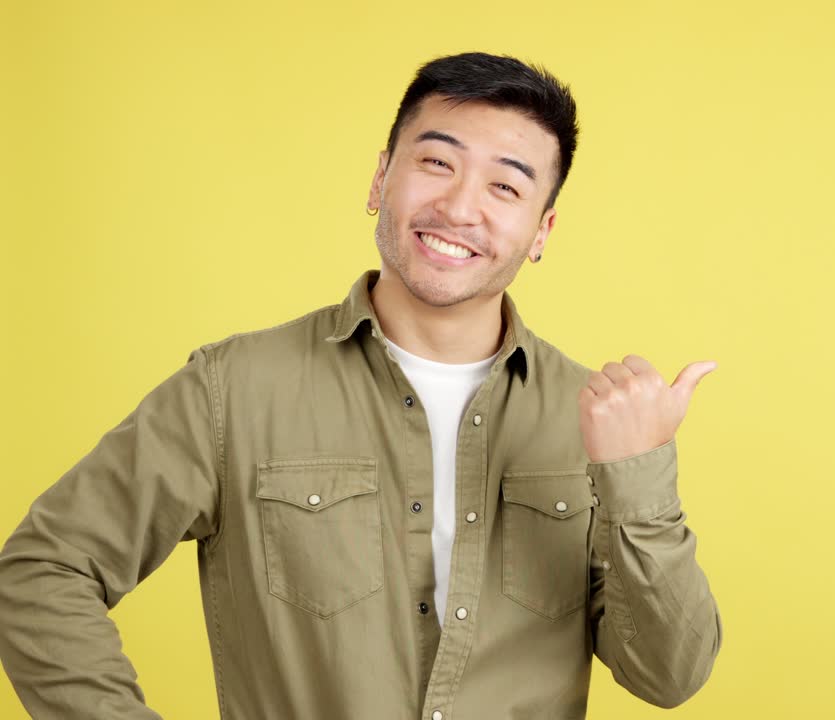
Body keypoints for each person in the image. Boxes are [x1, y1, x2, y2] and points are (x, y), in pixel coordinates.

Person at [0, 51, 722, 719]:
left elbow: (669, 675)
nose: (461, 206)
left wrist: (638, 479)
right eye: (437, 163)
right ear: (381, 180)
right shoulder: (235, 390)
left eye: (505, 185)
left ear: (541, 230)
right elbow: (41, 570)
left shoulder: (591, 418)